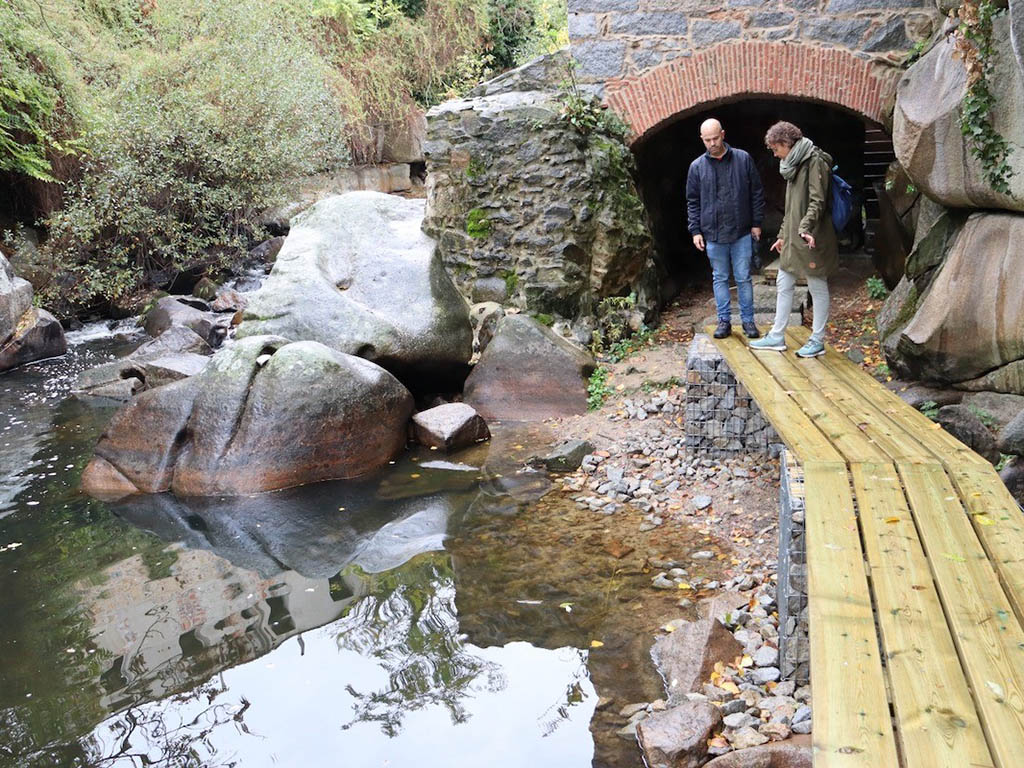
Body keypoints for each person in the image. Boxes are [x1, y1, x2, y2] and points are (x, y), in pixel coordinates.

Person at [750, 121, 838, 358]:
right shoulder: (792, 164)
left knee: (817, 285)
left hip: (811, 236)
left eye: (776, 148)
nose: (774, 154)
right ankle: (777, 336)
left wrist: (805, 228)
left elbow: (818, 201)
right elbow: (791, 209)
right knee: (784, 281)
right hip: (794, 236)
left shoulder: (815, 161)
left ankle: (817, 340)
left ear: (786, 143)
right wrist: (782, 235)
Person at [686, 118, 765, 340]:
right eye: (707, 140)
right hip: (713, 233)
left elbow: (756, 192)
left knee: (743, 278)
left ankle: (748, 321)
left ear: (723, 134)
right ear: (702, 139)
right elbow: (693, 201)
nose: (712, 143)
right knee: (719, 278)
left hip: (741, 231)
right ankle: (724, 321)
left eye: (715, 138)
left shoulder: (743, 159)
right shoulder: (697, 167)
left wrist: (757, 223)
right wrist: (695, 231)